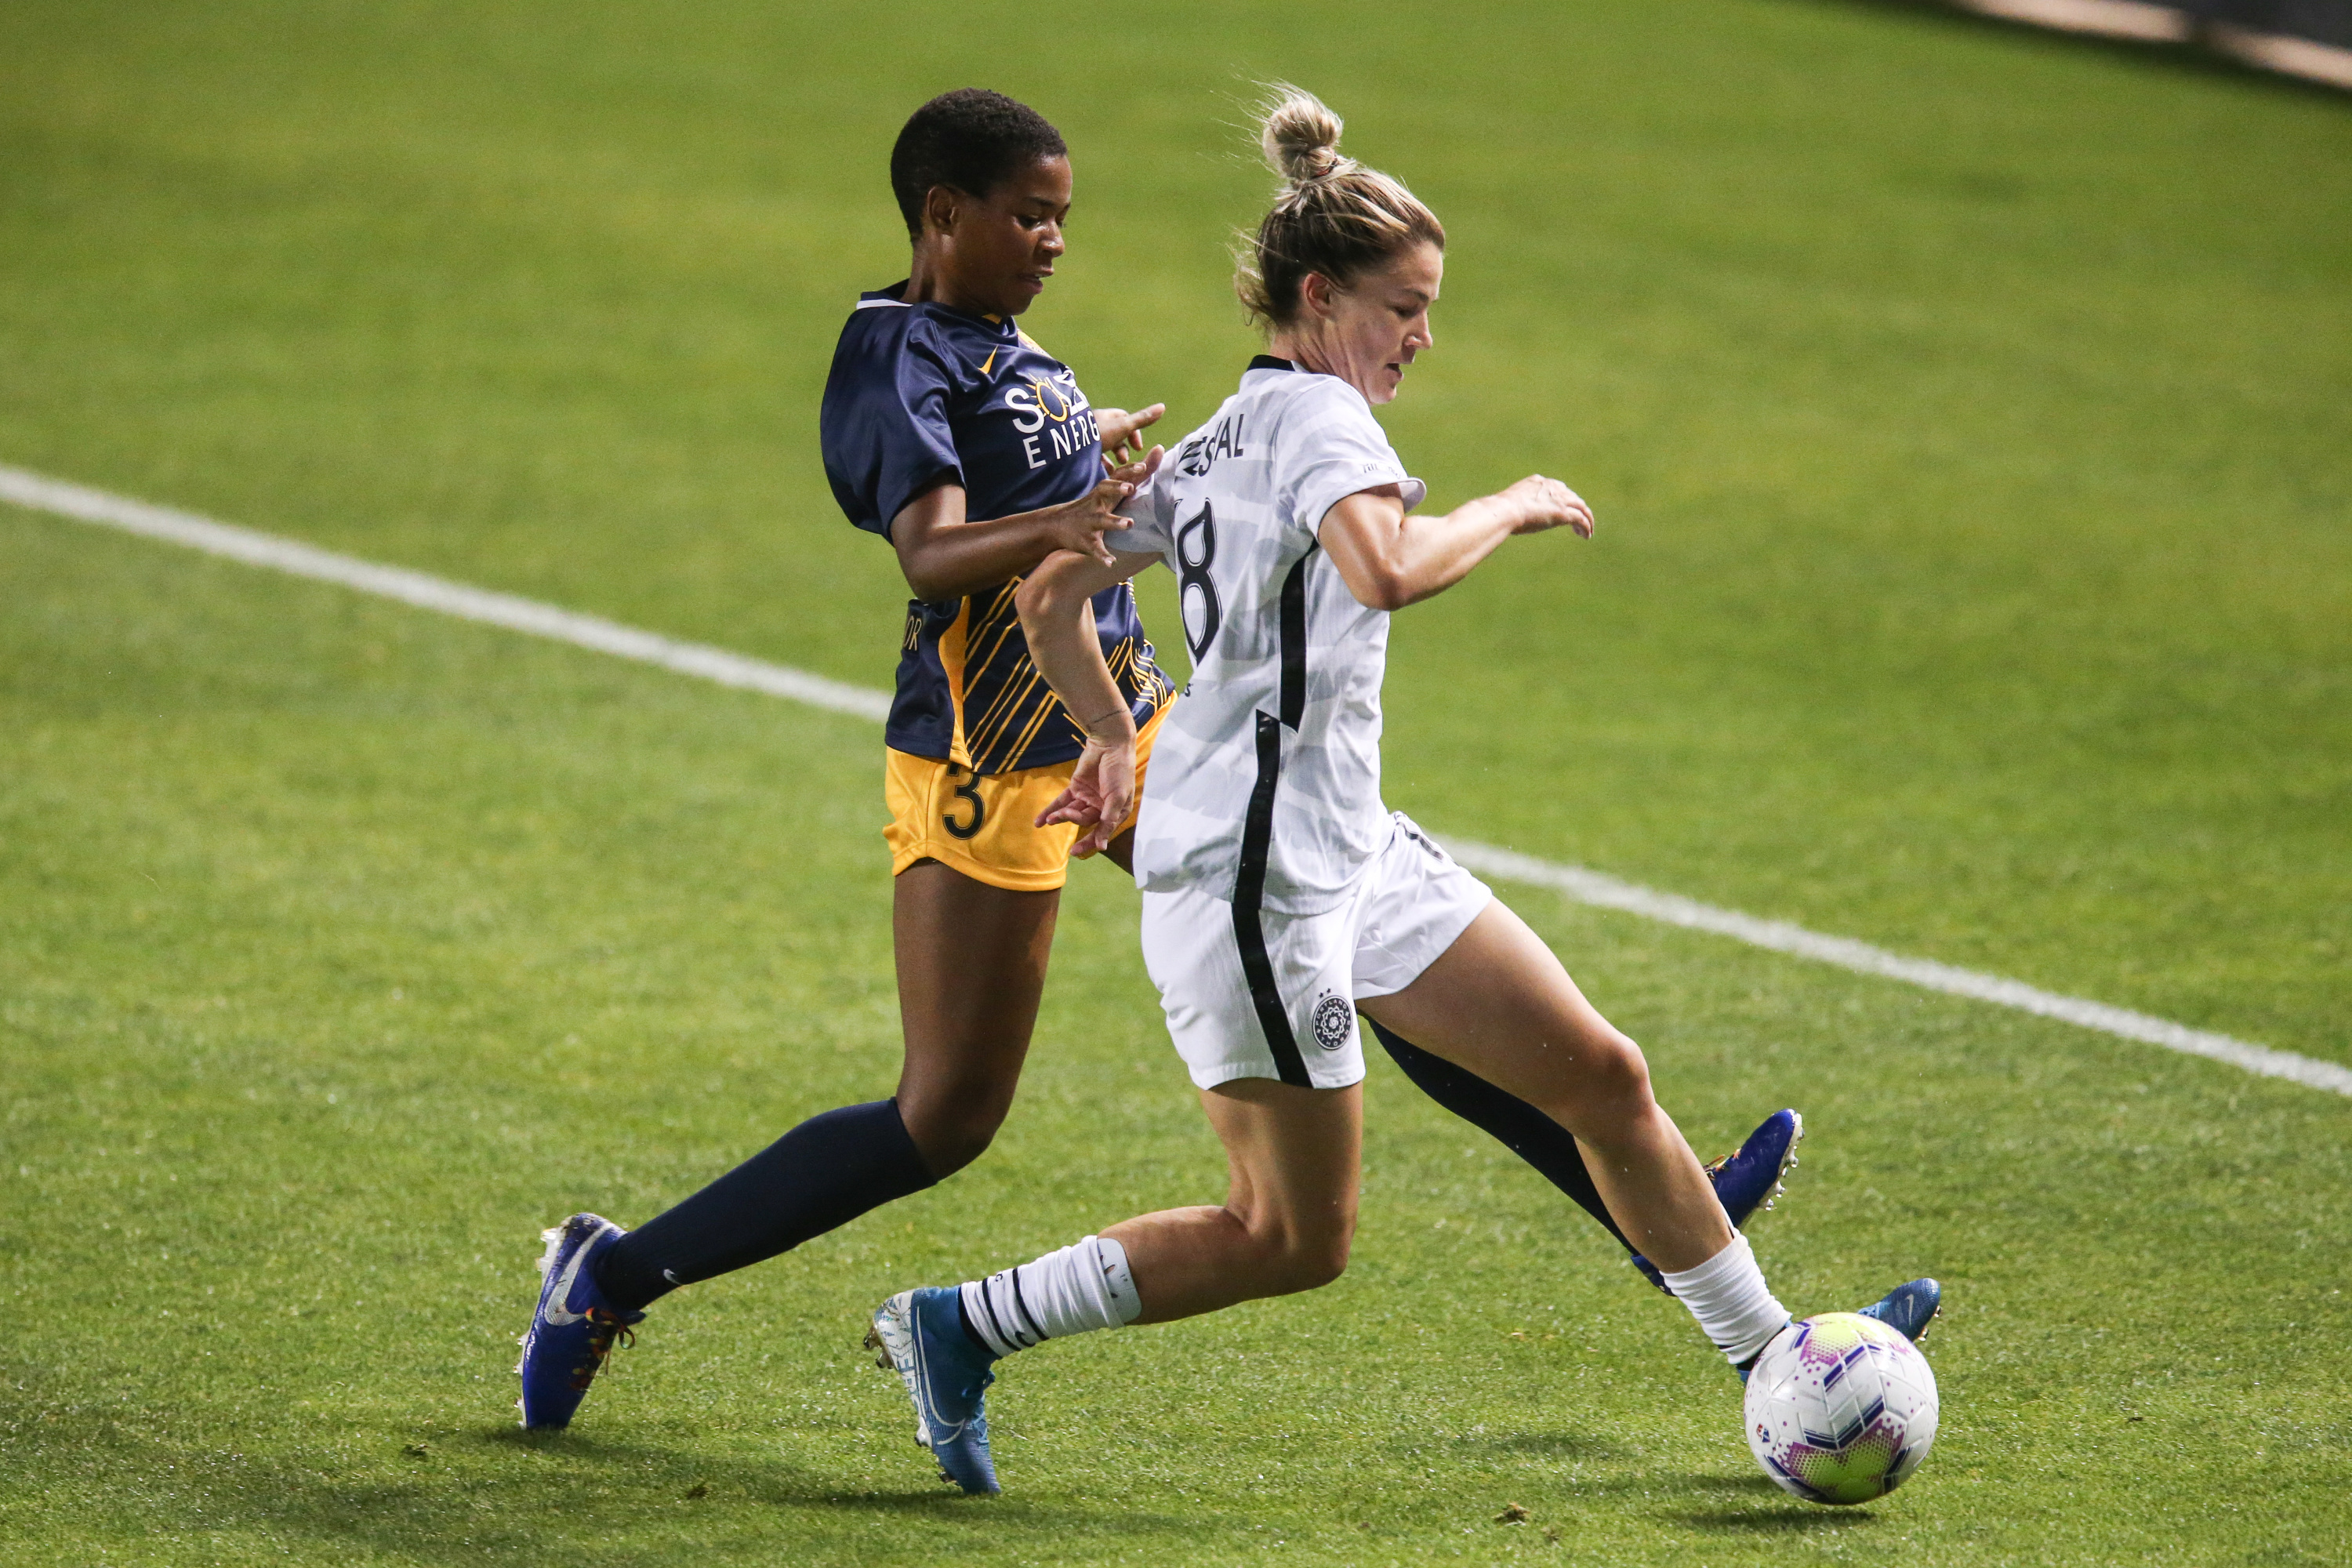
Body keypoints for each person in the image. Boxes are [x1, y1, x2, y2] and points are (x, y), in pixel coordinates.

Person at [517, 88, 1799, 1432]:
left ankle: (1670, 1227)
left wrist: (1113, 557)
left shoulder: (1022, 350)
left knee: (1361, 937)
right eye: (1030, 215)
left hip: (1132, 726)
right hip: (990, 752)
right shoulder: (899, 352)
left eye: (1061, 217)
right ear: (942, 214)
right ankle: (616, 1273)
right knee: (948, 1115)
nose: (1056, 241)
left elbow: (1090, 548)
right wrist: (1079, 524)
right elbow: (937, 555)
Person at [866, 85, 1939, 1496]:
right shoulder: (1321, 428)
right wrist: (1511, 502)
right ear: (1320, 297)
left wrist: (1116, 737)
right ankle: (959, 1327)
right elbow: (1387, 569)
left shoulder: (1230, 431)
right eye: (1406, 308)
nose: (1423, 339)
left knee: (1605, 1079)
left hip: (1338, 843)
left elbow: (1060, 590)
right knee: (1290, 1238)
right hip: (1255, 886)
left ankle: (1780, 1362)